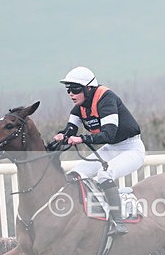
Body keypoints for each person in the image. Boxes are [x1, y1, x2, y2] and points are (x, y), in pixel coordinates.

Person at [51, 66, 145, 234]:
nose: (71, 94)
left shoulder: (106, 99)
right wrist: (60, 137)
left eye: (75, 89)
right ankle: (82, 219)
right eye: (68, 90)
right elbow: (69, 131)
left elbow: (108, 134)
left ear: (88, 88)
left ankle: (118, 223)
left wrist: (82, 138)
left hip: (132, 148)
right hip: (112, 148)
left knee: (104, 174)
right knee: (75, 175)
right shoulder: (79, 108)